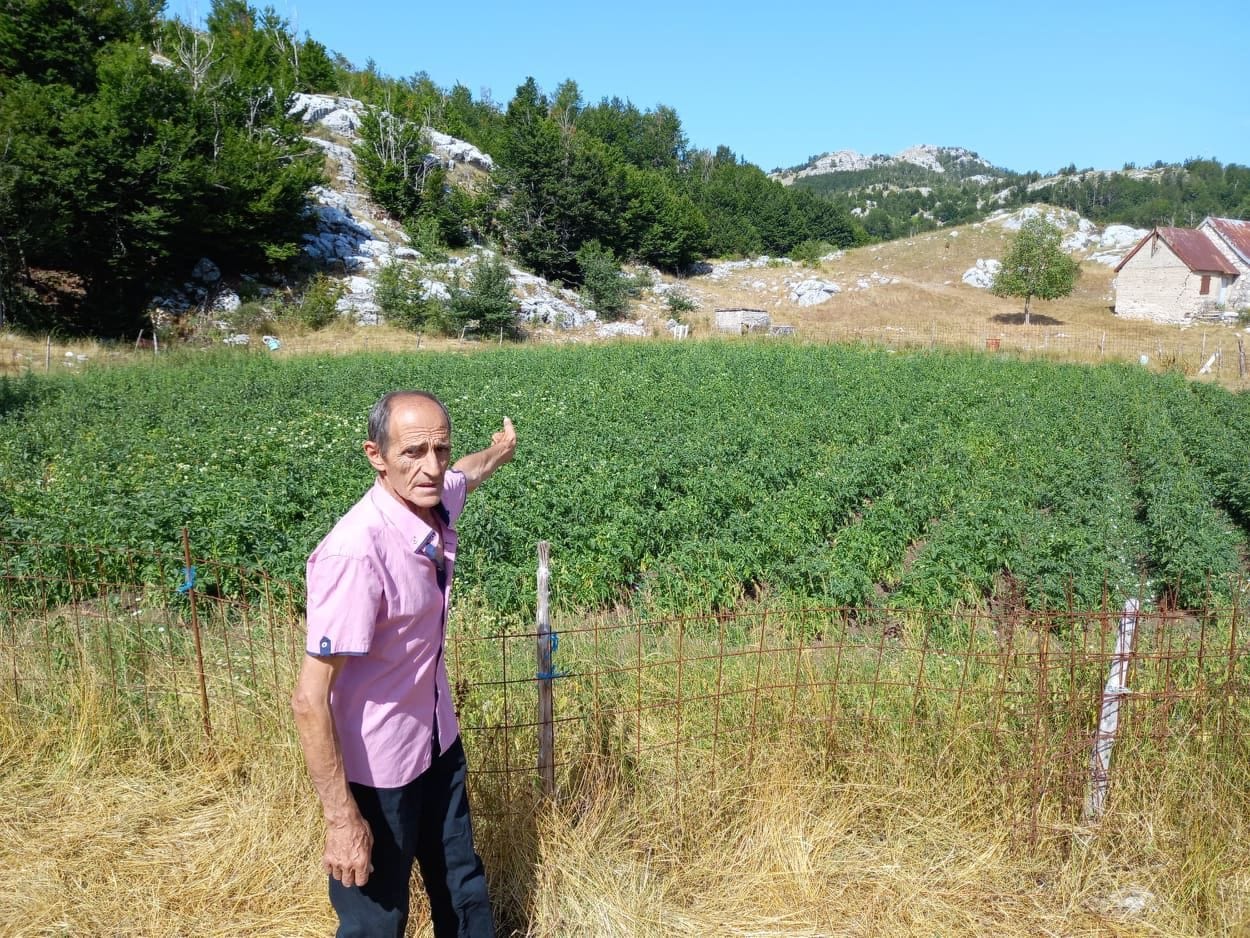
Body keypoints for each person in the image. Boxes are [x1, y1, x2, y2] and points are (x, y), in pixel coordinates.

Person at [292, 390, 516, 938]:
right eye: (413, 452)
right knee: (377, 918)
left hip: (437, 741)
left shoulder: (432, 499)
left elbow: (467, 473)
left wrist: (500, 451)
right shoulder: (356, 552)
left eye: (441, 449)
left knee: (462, 885)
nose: (432, 466)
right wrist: (342, 819)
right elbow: (309, 699)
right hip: (379, 768)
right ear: (377, 456)